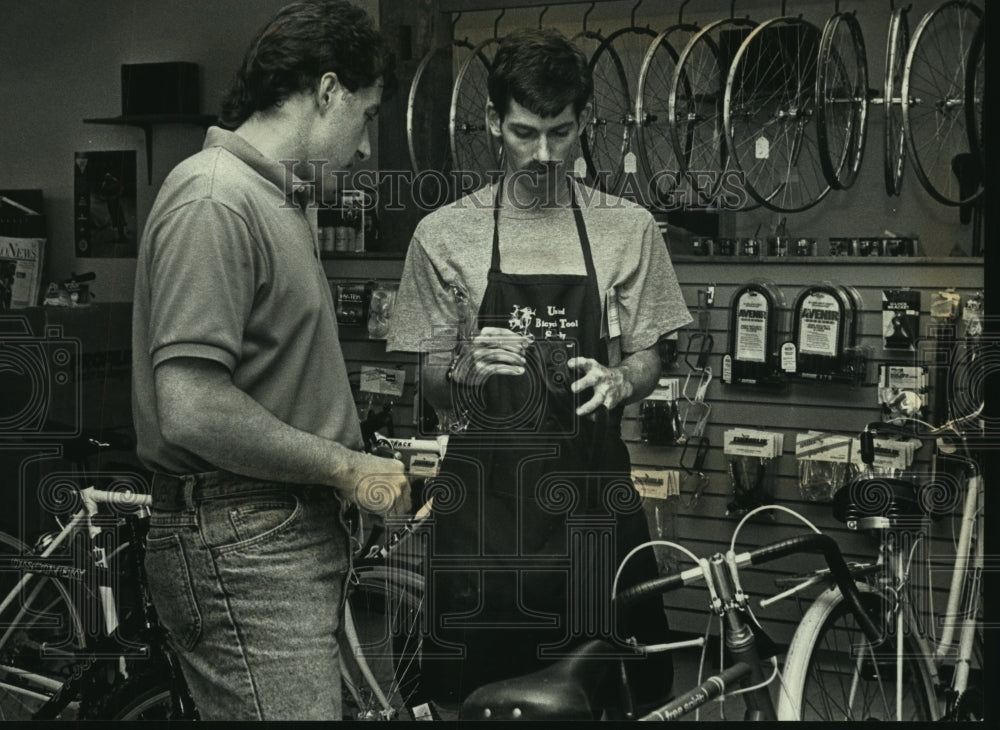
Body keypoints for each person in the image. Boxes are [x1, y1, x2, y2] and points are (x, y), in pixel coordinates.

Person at [386, 28, 692, 712]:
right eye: (526, 132)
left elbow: (648, 356)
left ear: (585, 121)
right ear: (493, 123)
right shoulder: (442, 235)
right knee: (471, 698)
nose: (545, 154)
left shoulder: (628, 228)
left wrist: (622, 379)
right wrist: (462, 369)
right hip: (484, 510)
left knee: (607, 692)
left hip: (592, 501)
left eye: (561, 131)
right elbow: (432, 381)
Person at [130, 1, 408, 720]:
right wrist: (345, 467)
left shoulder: (274, 198)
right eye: (369, 115)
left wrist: (346, 472)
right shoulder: (215, 198)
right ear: (326, 91)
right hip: (245, 544)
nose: (368, 146)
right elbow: (190, 408)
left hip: (274, 534)